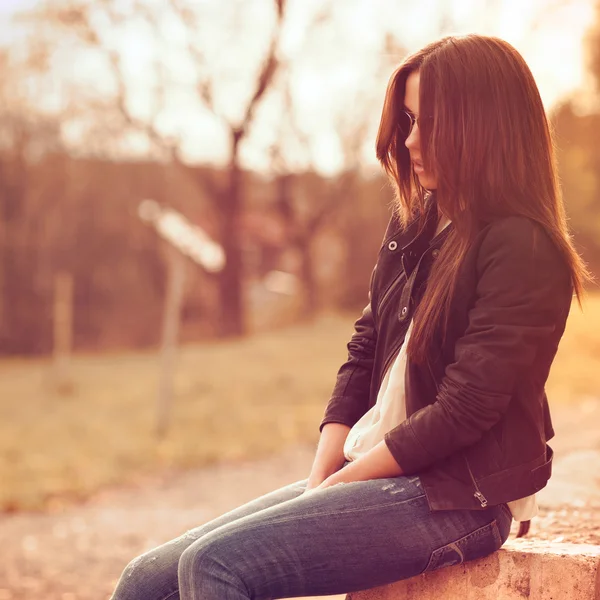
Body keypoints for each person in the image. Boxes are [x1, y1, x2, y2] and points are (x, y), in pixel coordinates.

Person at [110, 34, 591, 600]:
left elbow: (465, 411)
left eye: (428, 121)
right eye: (408, 119)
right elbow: (365, 349)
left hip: (460, 497)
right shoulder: (419, 222)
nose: (410, 139)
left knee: (216, 567)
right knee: (145, 581)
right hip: (383, 469)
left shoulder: (522, 248)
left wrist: (339, 487)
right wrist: (323, 477)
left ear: (480, 124)